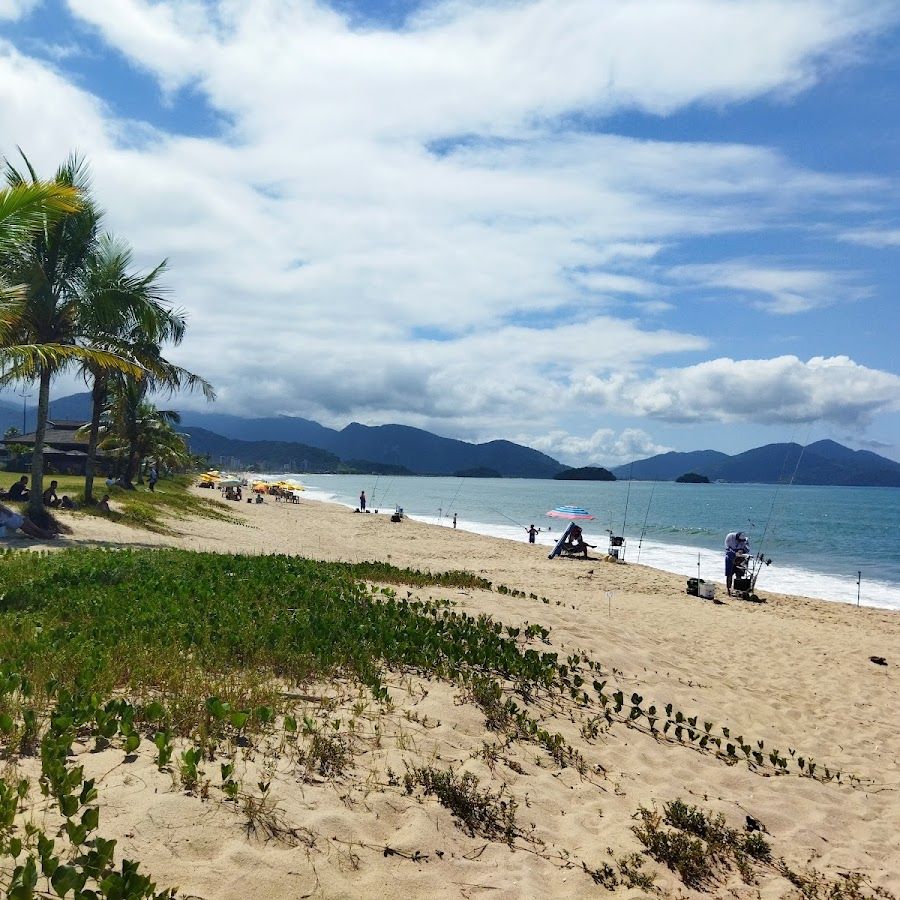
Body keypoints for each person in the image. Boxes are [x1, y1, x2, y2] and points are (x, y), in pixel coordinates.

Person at [724, 531, 750, 596]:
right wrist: (734, 552)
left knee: (739, 573)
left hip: (740, 557)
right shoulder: (730, 536)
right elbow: (727, 547)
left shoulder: (745, 540)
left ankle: (738, 590)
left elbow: (747, 549)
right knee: (729, 574)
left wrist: (742, 550)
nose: (740, 542)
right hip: (730, 556)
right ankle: (728, 590)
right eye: (739, 540)